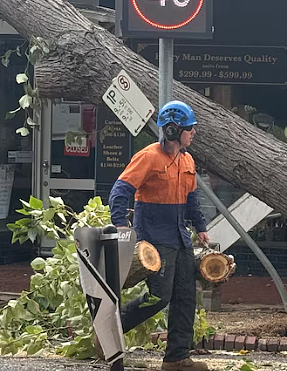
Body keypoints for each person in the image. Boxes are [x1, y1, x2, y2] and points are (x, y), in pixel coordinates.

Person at [109, 100, 209, 371]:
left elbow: (192, 200)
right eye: (190, 129)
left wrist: (200, 228)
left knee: (186, 298)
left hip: (180, 238)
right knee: (159, 297)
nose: (194, 133)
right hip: (154, 239)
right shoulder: (148, 157)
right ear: (174, 131)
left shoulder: (187, 160)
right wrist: (119, 224)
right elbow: (120, 191)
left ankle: (177, 358)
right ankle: (110, 330)